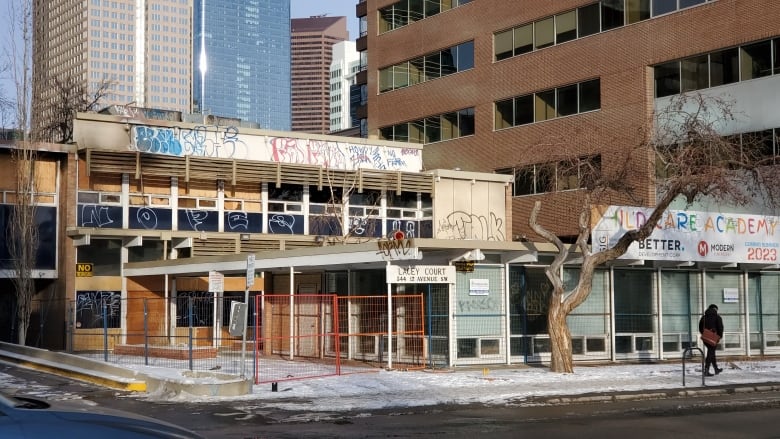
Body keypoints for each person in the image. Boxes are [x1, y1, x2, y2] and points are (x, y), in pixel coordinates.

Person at [699, 304, 724, 376]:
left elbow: (700, 327)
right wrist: (719, 337)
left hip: (705, 337)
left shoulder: (704, 317)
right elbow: (720, 328)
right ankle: (706, 370)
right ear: (715, 309)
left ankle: (716, 369)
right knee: (711, 353)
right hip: (713, 337)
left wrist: (704, 334)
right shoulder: (717, 317)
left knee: (711, 352)